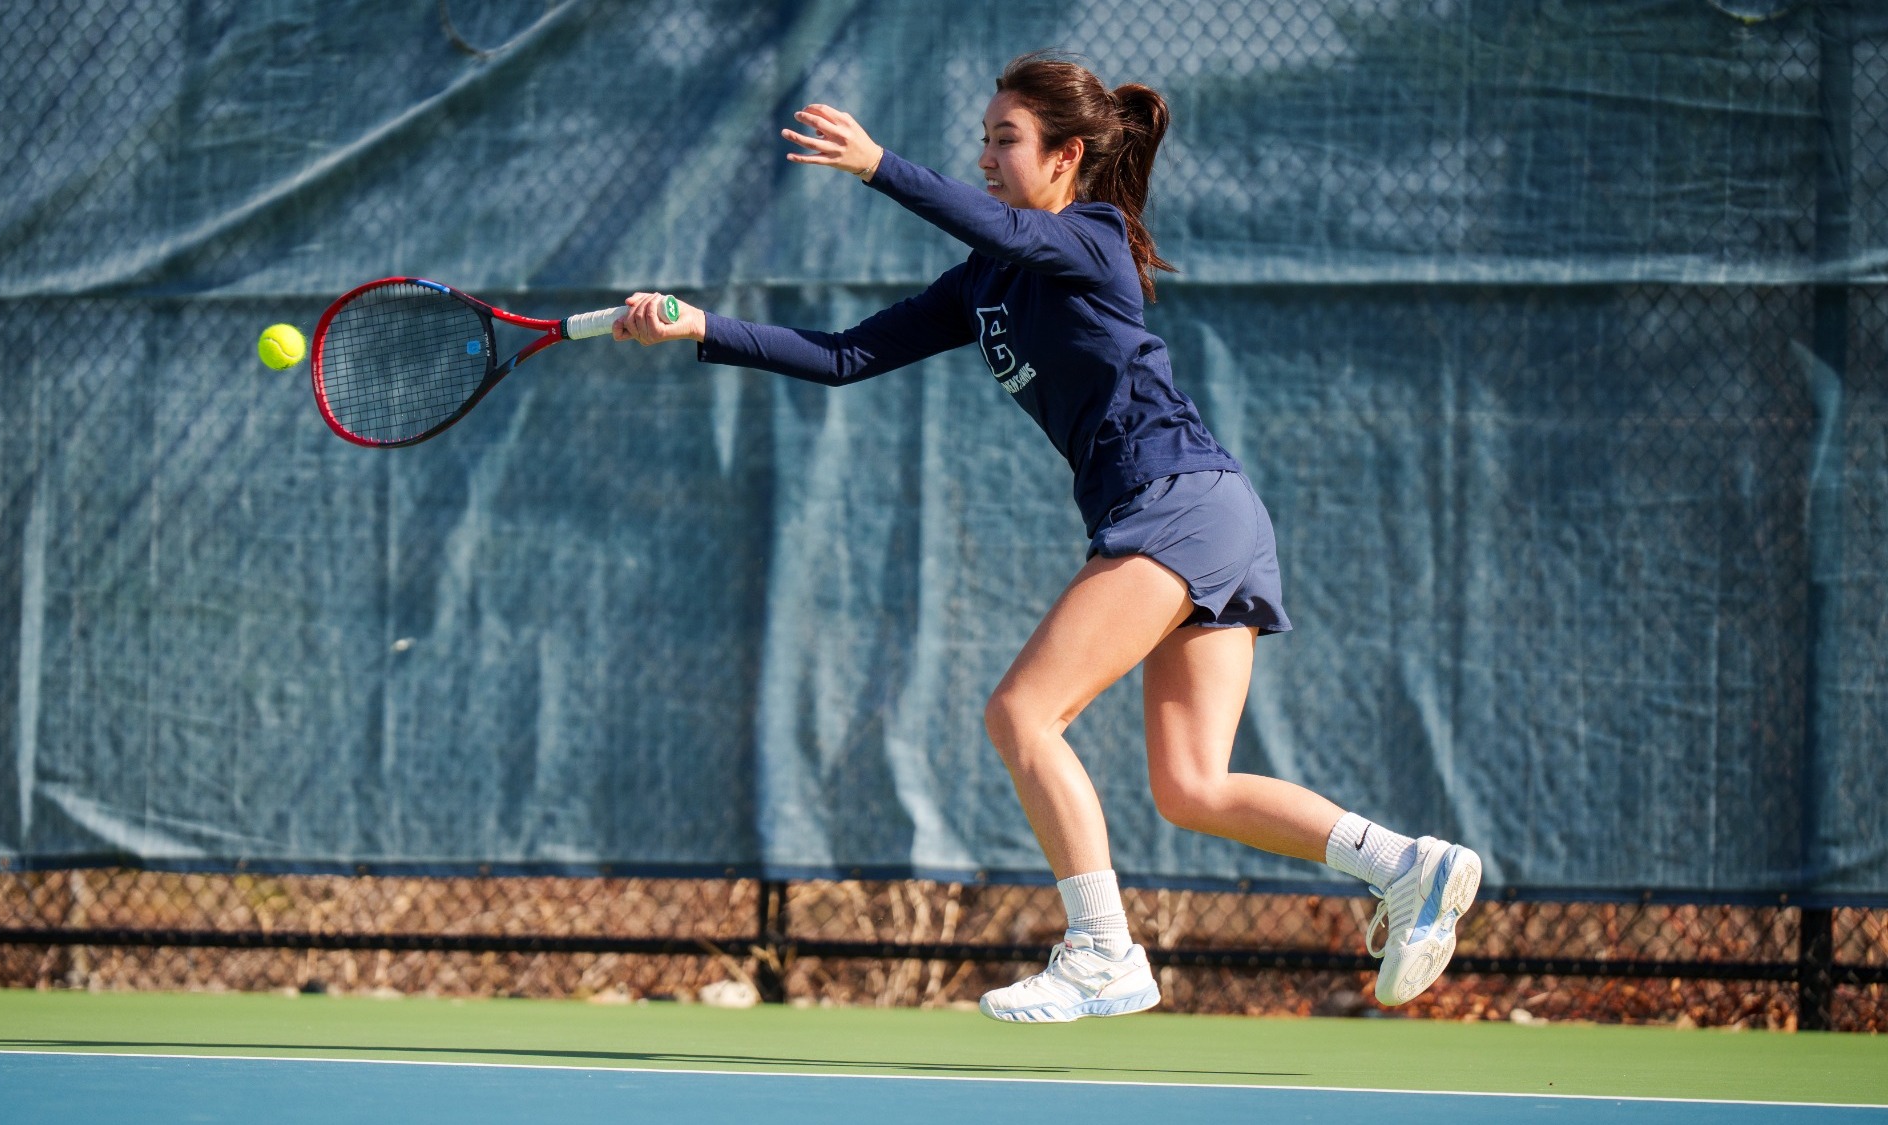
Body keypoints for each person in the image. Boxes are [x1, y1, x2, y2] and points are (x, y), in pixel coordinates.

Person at [612, 51, 1482, 1023]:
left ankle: (1102, 951)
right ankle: (1406, 866)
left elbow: (997, 223)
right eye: (981, 138)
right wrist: (695, 325)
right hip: (1202, 511)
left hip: (1176, 502)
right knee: (1190, 786)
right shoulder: (982, 281)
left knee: (1021, 714)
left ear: (1066, 155)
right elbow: (843, 355)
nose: (985, 155)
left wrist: (875, 165)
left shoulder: (1094, 237)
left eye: (1005, 139)